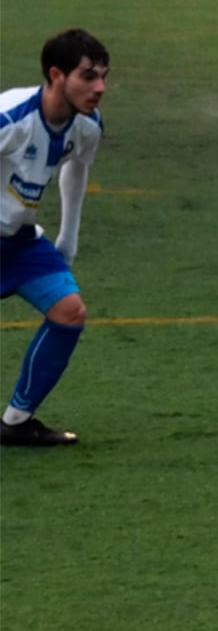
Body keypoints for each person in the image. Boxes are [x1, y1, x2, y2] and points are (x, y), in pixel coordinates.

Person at [0, 29, 108, 447]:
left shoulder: (87, 125)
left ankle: (15, 422)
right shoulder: (11, 119)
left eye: (103, 76)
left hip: (22, 241)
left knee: (70, 311)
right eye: (88, 76)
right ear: (56, 74)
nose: (99, 87)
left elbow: (77, 167)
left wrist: (69, 235)